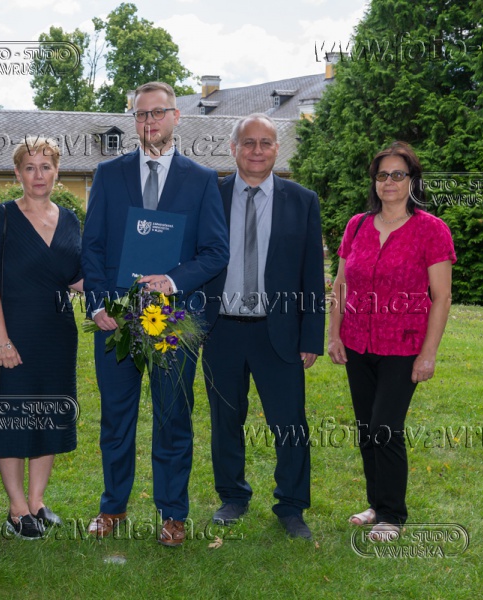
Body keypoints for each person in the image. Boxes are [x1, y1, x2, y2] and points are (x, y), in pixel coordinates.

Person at [82, 81, 229, 547]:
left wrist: (173, 280)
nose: (150, 122)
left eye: (158, 112)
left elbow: (216, 251)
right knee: (116, 418)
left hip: (175, 321)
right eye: (141, 114)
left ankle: (173, 513)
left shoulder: (201, 179)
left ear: (176, 116)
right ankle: (113, 506)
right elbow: (93, 245)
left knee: (173, 416)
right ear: (135, 120)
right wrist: (98, 304)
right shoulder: (108, 174)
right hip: (116, 319)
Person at [202, 113, 324, 540]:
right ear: (233, 148)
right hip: (221, 329)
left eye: (265, 143)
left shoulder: (302, 200)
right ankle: (232, 496)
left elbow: (312, 273)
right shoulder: (210, 196)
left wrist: (311, 336)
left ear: (277, 149)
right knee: (225, 419)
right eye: (248, 143)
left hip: (280, 331)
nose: (257, 150)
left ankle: (291, 505)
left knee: (290, 423)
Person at [327, 141, 455, 541]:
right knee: (367, 429)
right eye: (382, 175)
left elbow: (442, 297)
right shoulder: (357, 226)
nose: (389, 182)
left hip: (403, 347)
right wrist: (334, 334)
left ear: (412, 180)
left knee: (384, 426)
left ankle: (393, 516)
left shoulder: (431, 230)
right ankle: (376, 504)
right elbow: (341, 284)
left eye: (398, 174)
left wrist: (428, 354)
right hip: (357, 344)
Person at [0, 137, 83, 540]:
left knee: (48, 416)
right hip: (13, 334)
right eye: (30, 167)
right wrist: (1, 341)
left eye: (46, 166)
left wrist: (127, 285)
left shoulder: (69, 219)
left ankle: (37, 502)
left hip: (57, 335)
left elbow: (76, 278)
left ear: (57, 171)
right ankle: (16, 507)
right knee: (13, 418)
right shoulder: (0, 217)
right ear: (17, 173)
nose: (39, 175)